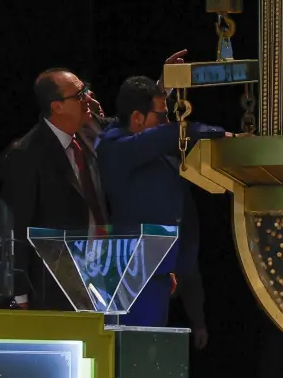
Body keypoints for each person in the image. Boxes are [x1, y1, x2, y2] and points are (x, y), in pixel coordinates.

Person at [97, 75, 228, 347]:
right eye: (161, 115)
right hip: (129, 280)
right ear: (137, 118)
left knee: (150, 353)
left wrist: (162, 87)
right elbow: (169, 134)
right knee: (130, 354)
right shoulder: (115, 148)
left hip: (159, 276)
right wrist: (217, 133)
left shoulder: (152, 151)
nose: (167, 122)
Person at [0, 68, 109, 310]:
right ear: (57, 106)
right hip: (54, 285)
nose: (88, 98)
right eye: (79, 95)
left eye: (86, 91)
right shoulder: (27, 154)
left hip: (99, 274)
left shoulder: (88, 137)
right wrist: (19, 294)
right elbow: (16, 227)